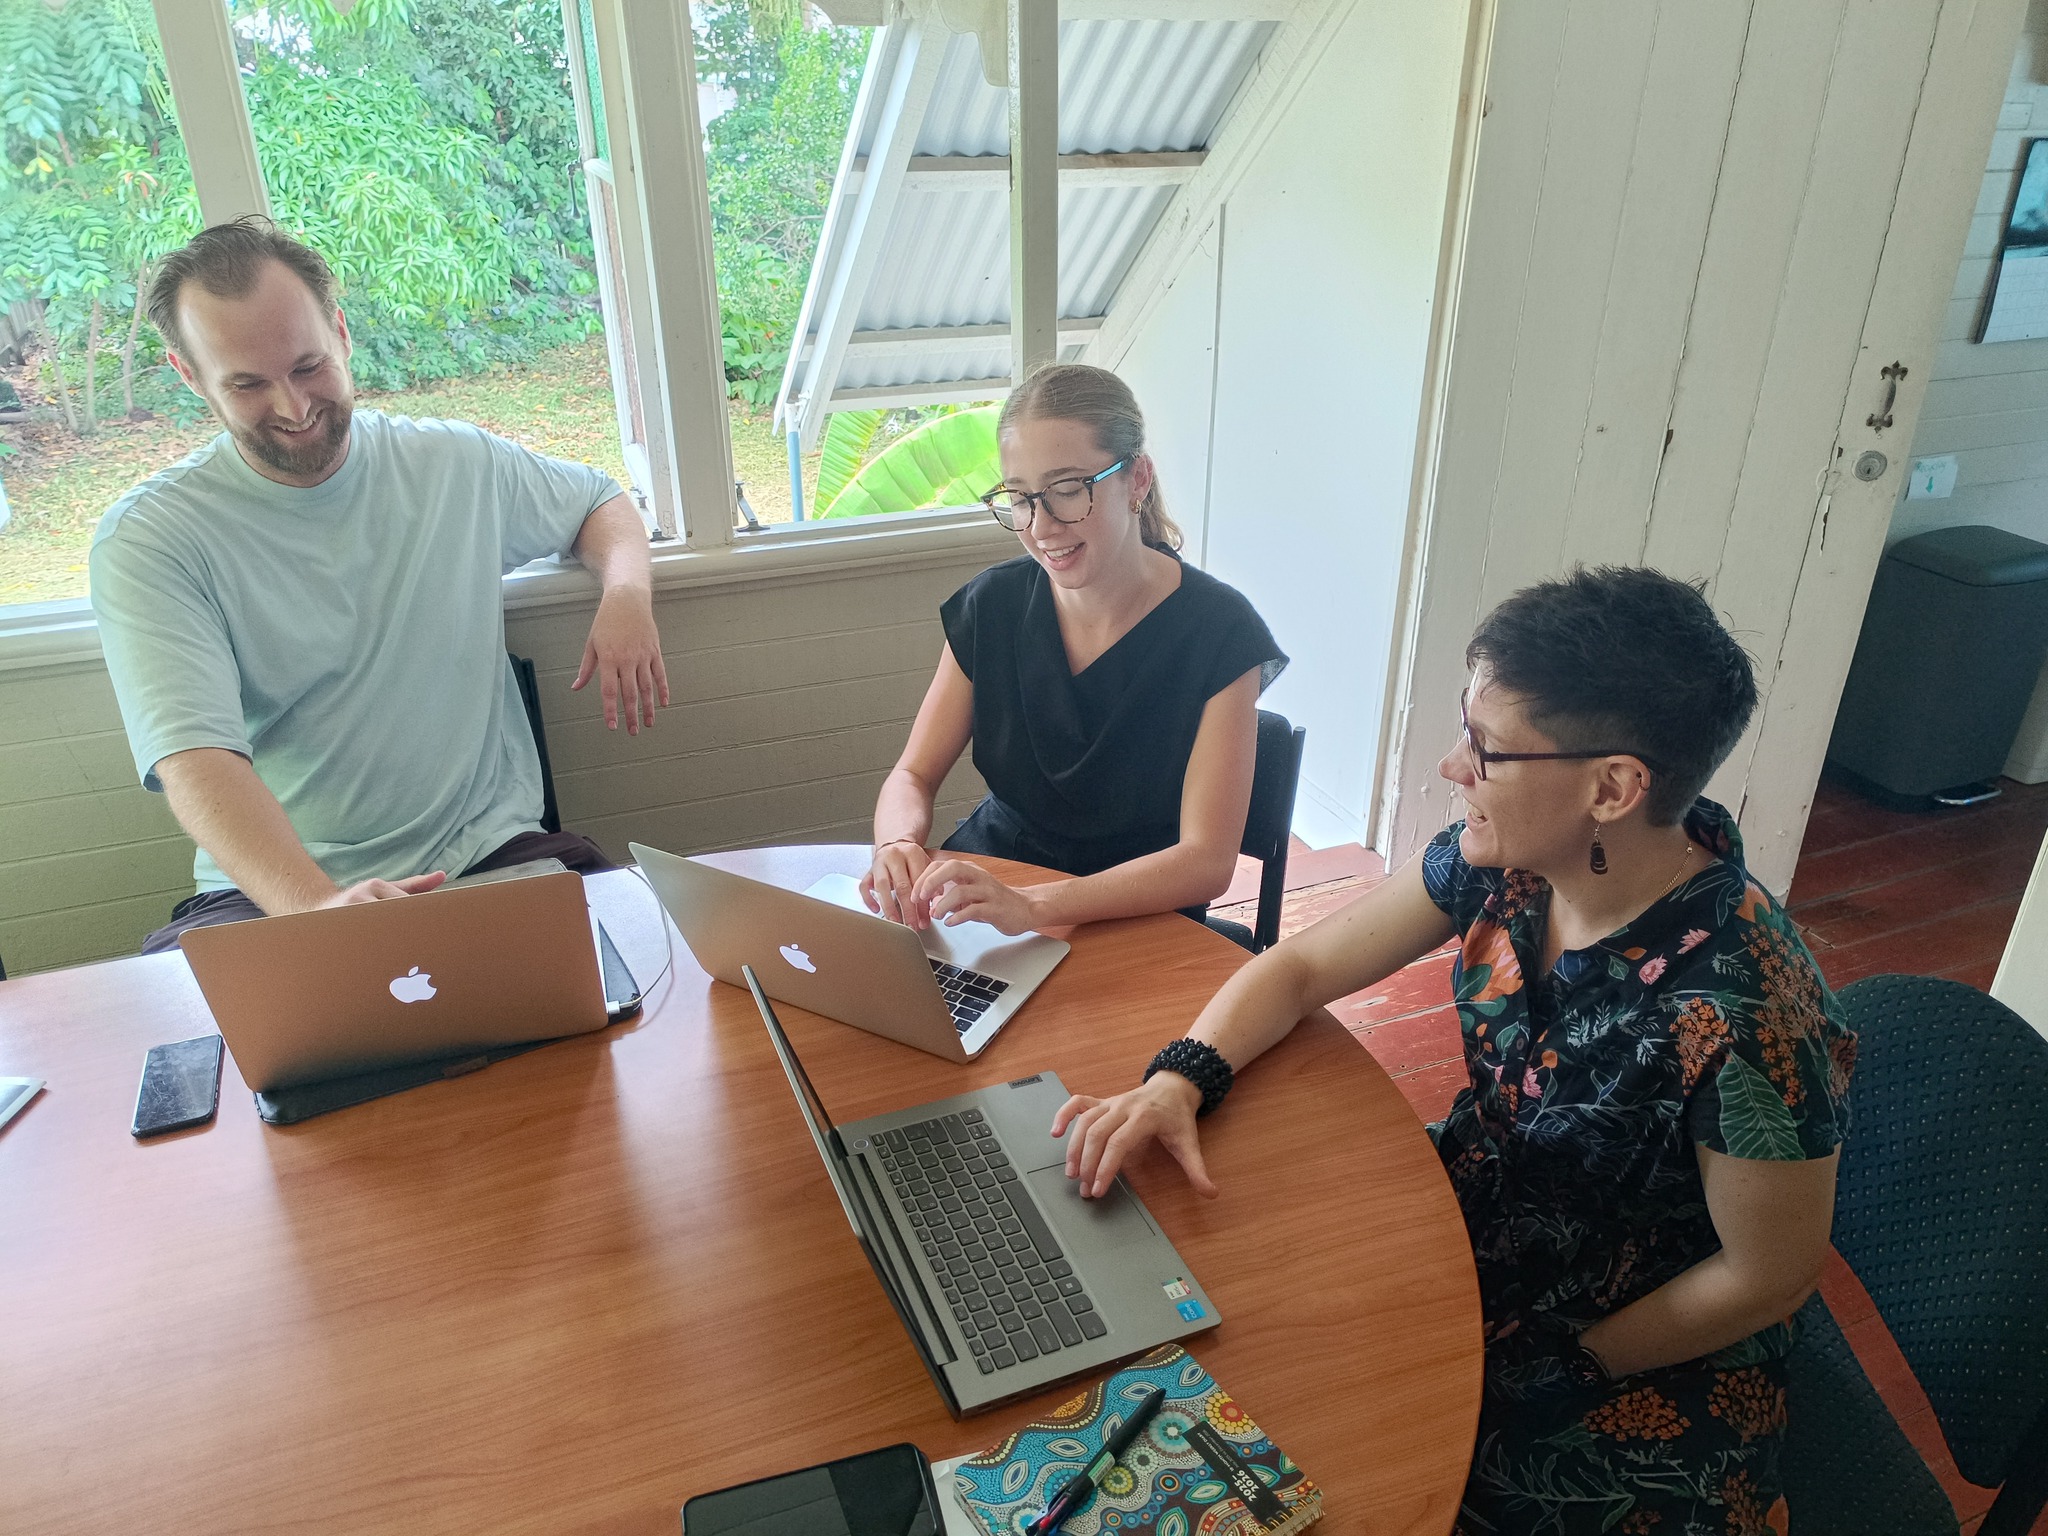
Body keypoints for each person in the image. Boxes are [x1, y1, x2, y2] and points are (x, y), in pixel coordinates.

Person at [1052, 567, 1853, 1536]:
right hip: (1466, 1237)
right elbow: (1302, 967)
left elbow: (1768, 1274)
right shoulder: (1511, 863)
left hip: (1621, 1351)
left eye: (1485, 747)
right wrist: (1181, 1076)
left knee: (1350, 1490)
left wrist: (1573, 1361)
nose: (1450, 766)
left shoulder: (1747, 1009)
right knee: (1208, 1351)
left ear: (1612, 787)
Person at [90, 217, 670, 954]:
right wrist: (318, 910)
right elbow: (194, 760)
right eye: (248, 384)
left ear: (340, 332)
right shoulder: (150, 539)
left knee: (635, 1013)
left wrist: (625, 596)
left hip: (486, 859)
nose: (294, 408)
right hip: (268, 897)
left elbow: (599, 501)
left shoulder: (453, 464)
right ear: (188, 376)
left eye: (308, 367)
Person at [860, 363, 1286, 939]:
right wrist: (897, 843)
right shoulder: (994, 605)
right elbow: (912, 774)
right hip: (993, 883)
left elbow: (1206, 862)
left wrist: (1037, 906)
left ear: (1137, 480)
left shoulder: (1218, 629)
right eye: (1019, 498)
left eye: (1067, 490)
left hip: (1137, 911)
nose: (1040, 526)